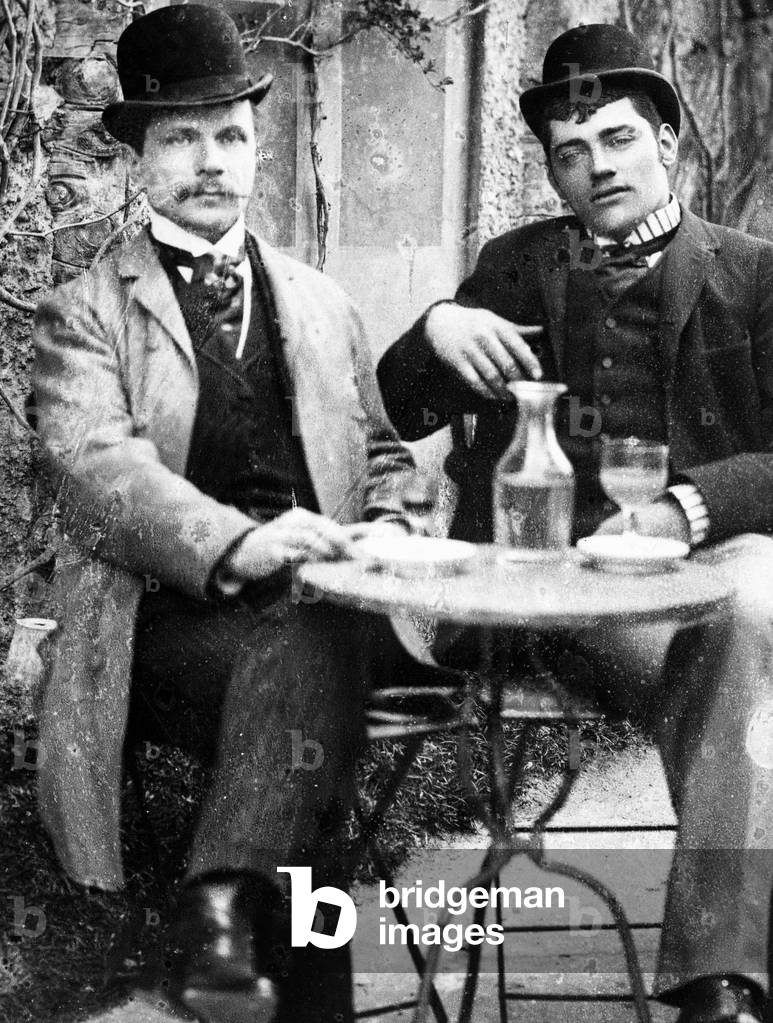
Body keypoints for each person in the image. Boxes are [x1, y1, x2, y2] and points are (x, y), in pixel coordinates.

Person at [31, 6, 434, 1022]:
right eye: (180, 137)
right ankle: (302, 986)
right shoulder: (85, 310)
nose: (209, 160)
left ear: (256, 148)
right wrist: (245, 542)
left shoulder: (319, 300)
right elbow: (99, 471)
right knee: (317, 691)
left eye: (230, 135)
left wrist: (389, 529)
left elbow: (388, 459)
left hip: (324, 602)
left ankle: (220, 917)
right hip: (170, 622)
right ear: (139, 157)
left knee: (314, 642)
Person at [377, 23, 773, 1023]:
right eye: (568, 152)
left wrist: (687, 507)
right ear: (551, 173)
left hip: (694, 577)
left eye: (615, 139)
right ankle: (720, 976)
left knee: (744, 608)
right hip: (542, 599)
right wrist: (435, 324)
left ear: (666, 143)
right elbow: (406, 404)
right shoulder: (515, 269)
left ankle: (721, 971)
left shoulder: (751, 278)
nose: (595, 168)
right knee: (746, 638)